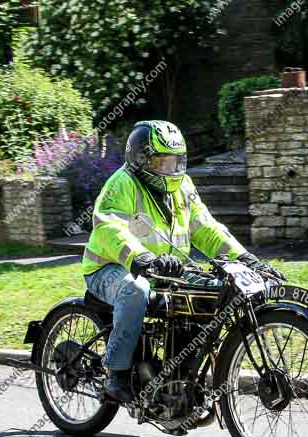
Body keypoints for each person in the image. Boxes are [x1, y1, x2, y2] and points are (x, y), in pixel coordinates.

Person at [82, 120, 281, 403]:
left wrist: (245, 258)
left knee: (211, 290)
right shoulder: (122, 183)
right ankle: (117, 374)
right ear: (140, 160)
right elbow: (109, 227)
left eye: (175, 162)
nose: (170, 169)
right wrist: (142, 258)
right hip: (110, 268)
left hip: (166, 269)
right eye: (161, 162)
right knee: (135, 291)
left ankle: (180, 378)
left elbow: (205, 227)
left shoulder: (183, 186)